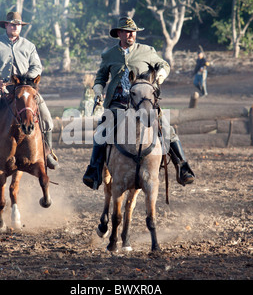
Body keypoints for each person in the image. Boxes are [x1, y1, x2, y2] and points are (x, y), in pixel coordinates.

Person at [82, 16, 195, 190]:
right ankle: (94, 170)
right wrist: (98, 90)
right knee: (102, 131)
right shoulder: (109, 55)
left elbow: (163, 64)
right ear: (119, 33)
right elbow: (101, 77)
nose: (131, 35)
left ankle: (182, 167)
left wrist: (160, 76)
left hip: (143, 103)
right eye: (127, 32)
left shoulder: (147, 51)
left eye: (133, 32)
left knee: (166, 128)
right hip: (117, 103)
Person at [0, 11, 58, 169]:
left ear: (21, 27)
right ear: (6, 25)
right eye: (12, 24)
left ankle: (47, 153)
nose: (15, 27)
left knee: (46, 117)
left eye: (18, 25)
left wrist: (27, 79)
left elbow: (37, 66)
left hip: (24, 88)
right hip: (1, 87)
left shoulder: (29, 46)